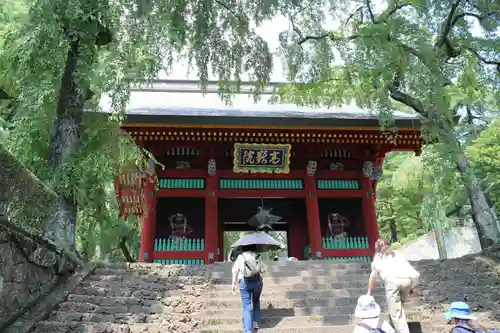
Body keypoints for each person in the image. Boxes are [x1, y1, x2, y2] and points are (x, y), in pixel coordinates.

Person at [367, 238, 420, 333]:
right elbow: (407, 267)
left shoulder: (377, 258)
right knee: (397, 307)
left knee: (396, 313)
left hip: (392, 283)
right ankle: (394, 326)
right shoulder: (397, 253)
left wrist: (369, 291)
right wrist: (411, 286)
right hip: (407, 280)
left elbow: (372, 278)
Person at [231, 245, 264, 333]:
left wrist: (233, 285)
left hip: (244, 283)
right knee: (256, 302)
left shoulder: (241, 256)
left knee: (247, 307)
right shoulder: (258, 255)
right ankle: (255, 326)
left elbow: (235, 271)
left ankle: (248, 331)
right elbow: (263, 269)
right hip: (257, 282)